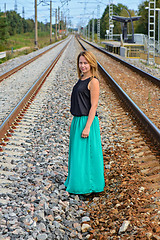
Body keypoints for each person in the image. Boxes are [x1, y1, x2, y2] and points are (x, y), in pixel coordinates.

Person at [64, 50, 105, 195]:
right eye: (80, 63)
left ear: (91, 64)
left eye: (85, 63)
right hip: (78, 120)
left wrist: (87, 127)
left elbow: (93, 106)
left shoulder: (93, 81)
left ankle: (89, 186)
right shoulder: (80, 79)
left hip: (87, 121)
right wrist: (73, 122)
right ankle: (78, 182)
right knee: (78, 155)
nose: (82, 66)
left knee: (87, 154)